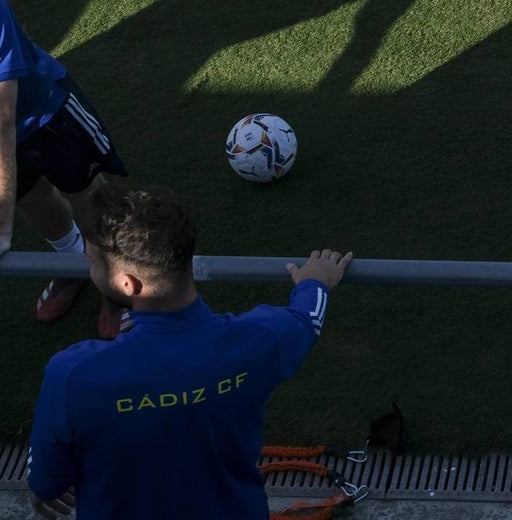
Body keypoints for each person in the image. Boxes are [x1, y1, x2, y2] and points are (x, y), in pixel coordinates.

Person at [26, 180, 353, 520]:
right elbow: (307, 319)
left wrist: (43, 490)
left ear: (128, 284)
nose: (89, 268)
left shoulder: (72, 375)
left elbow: (46, 482)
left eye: (93, 260)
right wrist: (316, 281)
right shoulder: (258, 341)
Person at [0, 0, 130, 339]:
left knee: (89, 196)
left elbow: (3, 117)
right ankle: (73, 260)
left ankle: (116, 277)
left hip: (47, 114)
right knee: (30, 198)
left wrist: (1, 230)